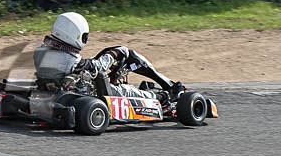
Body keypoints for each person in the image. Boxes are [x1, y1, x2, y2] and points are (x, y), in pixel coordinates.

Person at [33, 12, 184, 107]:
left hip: (55, 90)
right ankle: (164, 96)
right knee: (127, 91)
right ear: (75, 35)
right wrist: (114, 54)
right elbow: (97, 66)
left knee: (115, 82)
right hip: (84, 95)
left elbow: (87, 66)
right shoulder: (70, 61)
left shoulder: (41, 52)